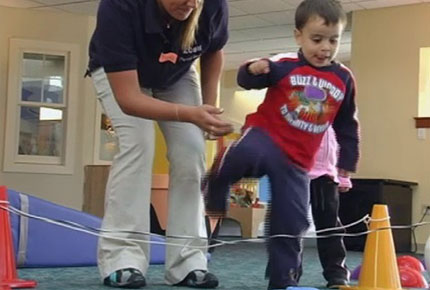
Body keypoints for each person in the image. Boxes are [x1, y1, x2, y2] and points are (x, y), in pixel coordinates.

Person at [203, 0, 360, 289]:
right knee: (240, 158)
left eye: (333, 40)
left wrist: (346, 164)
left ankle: (283, 280)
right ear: (298, 35)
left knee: (292, 221)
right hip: (266, 136)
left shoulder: (343, 79)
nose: (325, 47)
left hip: (299, 160)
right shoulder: (285, 65)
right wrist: (253, 68)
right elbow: (247, 80)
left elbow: (347, 125)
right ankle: (215, 183)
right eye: (317, 39)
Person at [87, 0, 233, 288]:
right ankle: (122, 260)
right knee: (138, 145)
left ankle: (188, 262)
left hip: (176, 73)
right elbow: (129, 100)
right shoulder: (119, 7)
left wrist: (208, 107)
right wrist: (190, 114)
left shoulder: (213, 5)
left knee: (191, 151)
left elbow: (214, 50)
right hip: (121, 74)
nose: (191, 4)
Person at [308, 125, 352, 288]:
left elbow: (347, 136)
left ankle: (337, 273)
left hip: (326, 173)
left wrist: (343, 175)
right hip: (295, 171)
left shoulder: (338, 105)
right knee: (291, 225)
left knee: (330, 225)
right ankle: (287, 274)